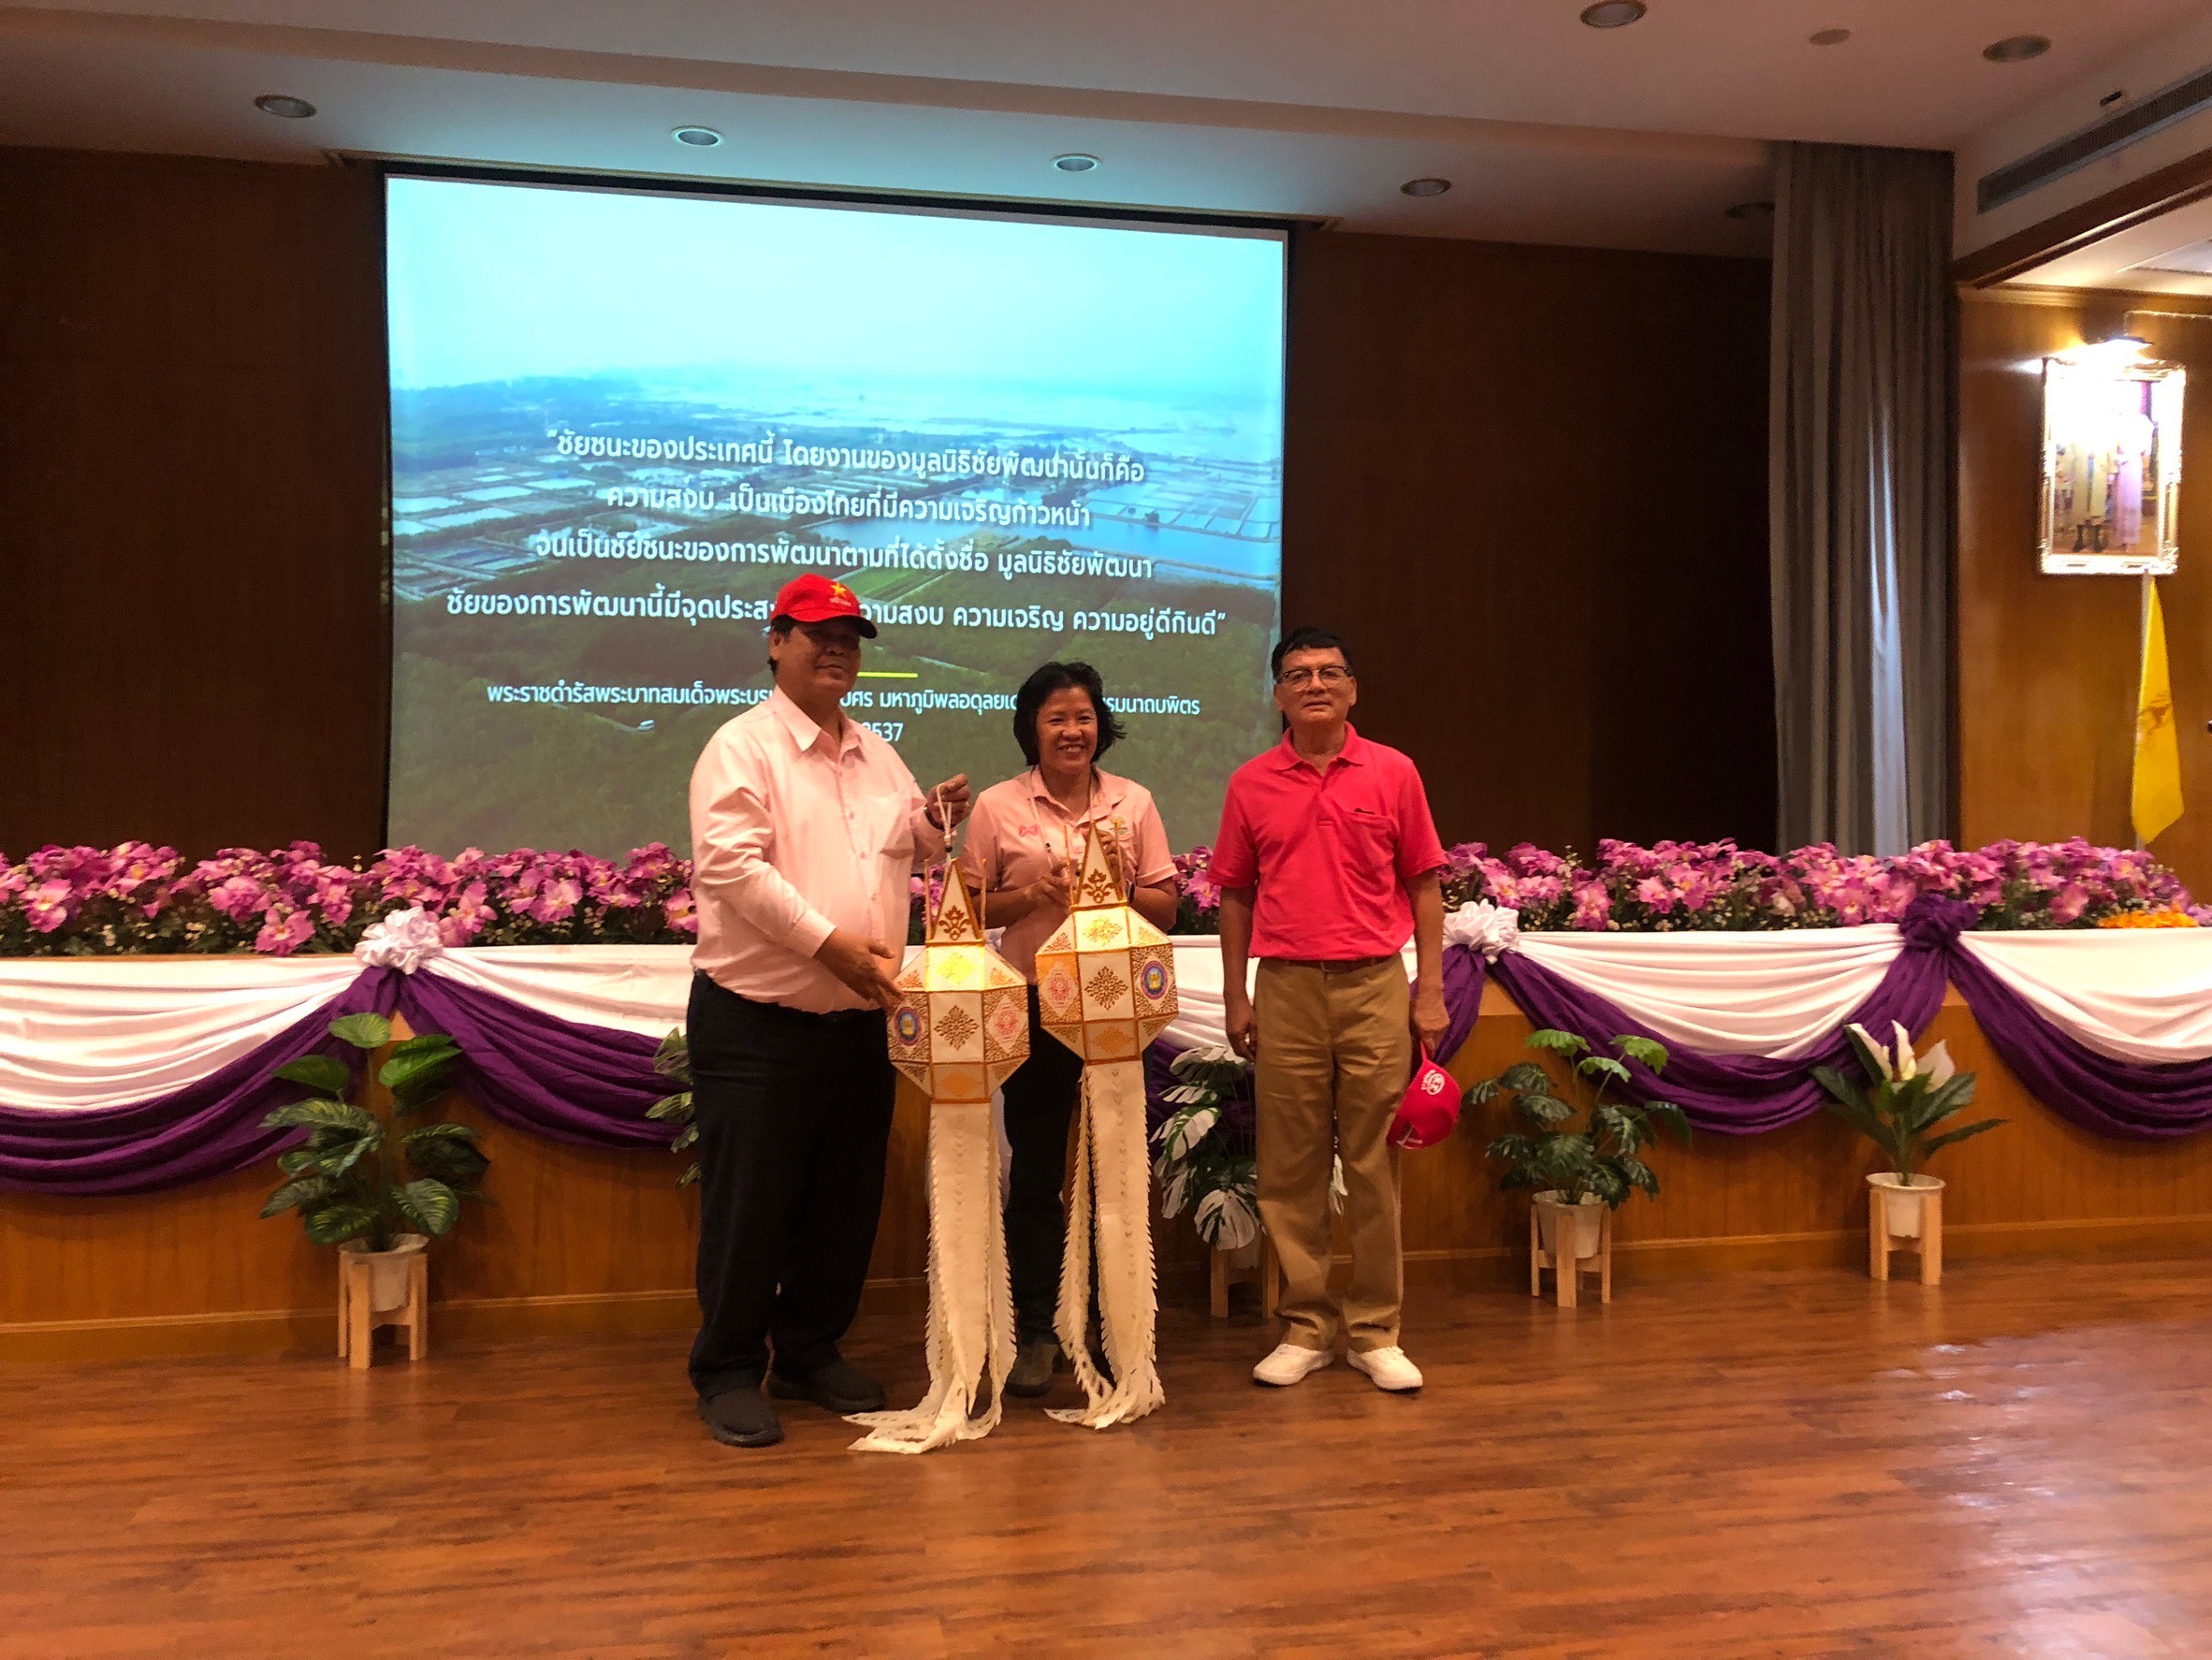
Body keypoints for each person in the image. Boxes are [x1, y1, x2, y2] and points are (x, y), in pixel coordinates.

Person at [686, 572, 971, 1449]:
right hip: (757, 1023)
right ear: (776, 642)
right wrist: (831, 946)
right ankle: (729, 1369)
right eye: (819, 634)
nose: (838, 650)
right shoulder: (742, 748)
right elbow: (731, 869)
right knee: (751, 1207)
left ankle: (810, 1353)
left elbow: (898, 846)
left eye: (850, 638)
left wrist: (932, 825)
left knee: (842, 1203)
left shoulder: (878, 753)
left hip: (859, 1021)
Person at [1213, 626, 1448, 1393]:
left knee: (1375, 1164)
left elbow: (1424, 885)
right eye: (1298, 675)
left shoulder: (1394, 772)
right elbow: (1236, 894)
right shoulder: (1251, 783)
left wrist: (1430, 990)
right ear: (1278, 695)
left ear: (1352, 689)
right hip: (1286, 988)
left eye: (1329, 672)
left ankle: (1376, 1330)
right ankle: (1307, 1328)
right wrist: (1237, 995)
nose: (1314, 685)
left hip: (1375, 985)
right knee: (1291, 1166)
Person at [959, 661, 1177, 1398]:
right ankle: (1038, 1329)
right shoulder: (996, 806)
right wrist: (1029, 896)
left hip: (1115, 1010)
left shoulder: (1133, 802)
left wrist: (1119, 887)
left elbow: (1166, 907)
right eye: (1056, 718)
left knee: (1112, 1167)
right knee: (1037, 1172)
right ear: (1032, 728)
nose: (1072, 730)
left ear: (1100, 726)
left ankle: (1114, 1325)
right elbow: (969, 910)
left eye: (1083, 717)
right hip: (1035, 1005)